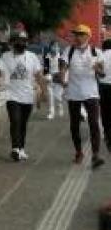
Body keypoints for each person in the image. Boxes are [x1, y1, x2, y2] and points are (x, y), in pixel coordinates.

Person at [0, 31, 45, 162]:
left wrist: (42, 91)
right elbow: (0, 73)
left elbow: (38, 75)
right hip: (12, 95)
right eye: (18, 41)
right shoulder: (5, 57)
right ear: (12, 43)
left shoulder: (32, 57)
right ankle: (15, 148)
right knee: (15, 121)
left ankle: (21, 149)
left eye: (23, 41)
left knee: (23, 123)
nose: (21, 43)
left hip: (28, 96)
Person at [60, 24, 105, 169]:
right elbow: (64, 67)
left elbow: (103, 74)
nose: (77, 37)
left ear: (88, 36)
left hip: (91, 94)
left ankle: (96, 155)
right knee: (74, 125)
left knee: (94, 124)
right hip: (73, 93)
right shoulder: (69, 50)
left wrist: (98, 69)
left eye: (80, 34)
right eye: (76, 34)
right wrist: (62, 77)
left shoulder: (96, 52)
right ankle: (79, 152)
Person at [44, 41, 65, 120]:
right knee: (50, 96)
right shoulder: (47, 56)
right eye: (53, 46)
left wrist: (62, 78)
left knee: (57, 96)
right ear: (50, 47)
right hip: (50, 78)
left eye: (57, 46)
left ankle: (60, 106)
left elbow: (63, 69)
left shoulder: (61, 57)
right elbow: (45, 69)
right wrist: (47, 76)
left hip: (58, 78)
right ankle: (51, 112)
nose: (55, 48)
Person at [99, 39, 111, 154]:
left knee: (104, 110)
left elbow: (98, 70)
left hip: (103, 87)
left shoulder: (101, 55)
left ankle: (107, 133)